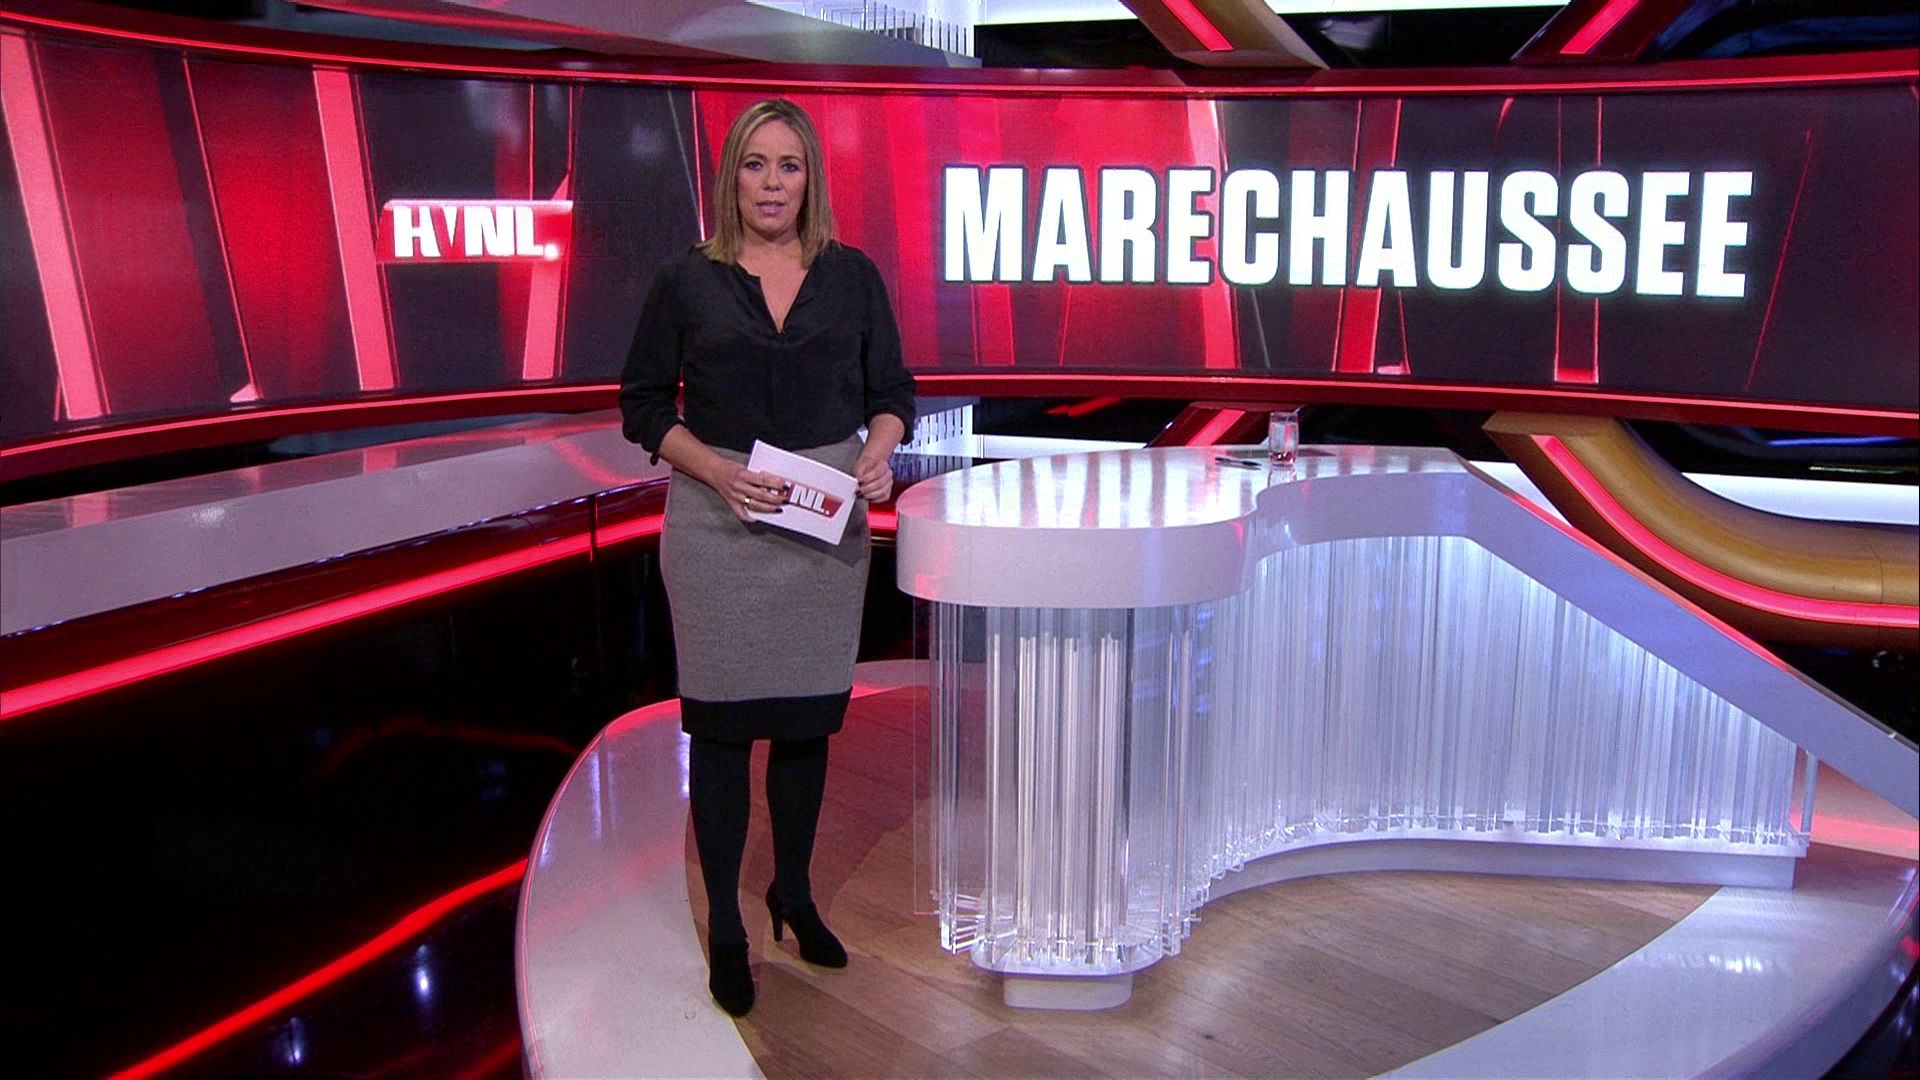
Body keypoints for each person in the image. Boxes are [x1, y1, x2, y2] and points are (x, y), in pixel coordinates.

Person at [617, 99, 916, 1018]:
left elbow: (892, 392)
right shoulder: (687, 280)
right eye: (755, 164)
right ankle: (726, 929)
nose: (773, 183)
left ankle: (793, 893)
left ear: (810, 178)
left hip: (824, 531)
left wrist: (879, 453)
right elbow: (641, 404)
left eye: (789, 165)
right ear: (731, 178)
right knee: (721, 731)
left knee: (803, 724)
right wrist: (713, 469)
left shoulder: (852, 276)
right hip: (720, 525)